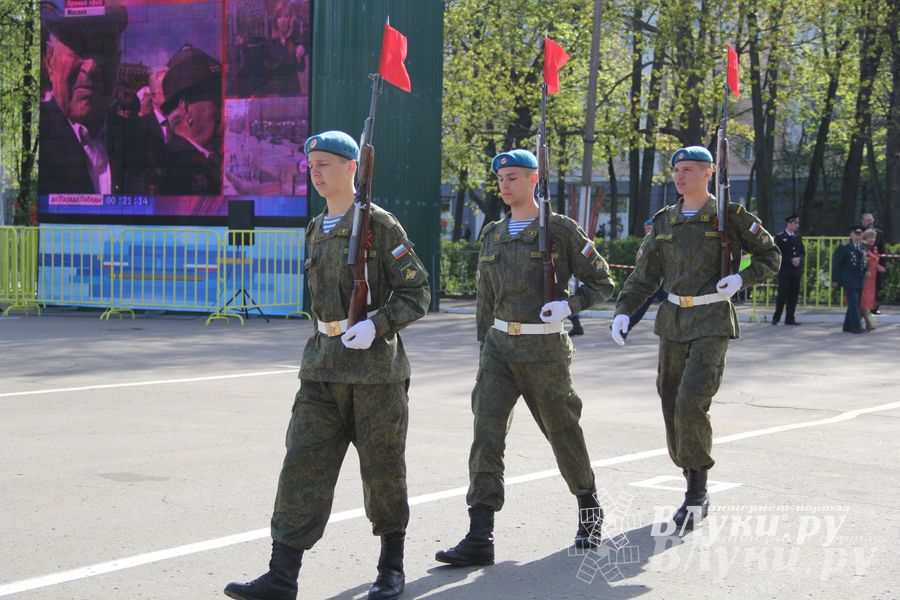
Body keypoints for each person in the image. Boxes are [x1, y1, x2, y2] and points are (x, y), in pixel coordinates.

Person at [224, 131, 430, 600]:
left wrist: (378, 324)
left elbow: (417, 292)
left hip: (375, 374)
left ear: (352, 167)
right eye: (311, 165)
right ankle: (281, 576)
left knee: (383, 471)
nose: (315, 172)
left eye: (325, 164)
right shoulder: (317, 226)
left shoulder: (379, 224)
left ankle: (391, 568)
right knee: (302, 466)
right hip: (320, 367)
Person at [435, 149, 616, 568]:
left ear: (534, 179)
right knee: (486, 435)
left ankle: (589, 508)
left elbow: (603, 282)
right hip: (499, 350)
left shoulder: (559, 229)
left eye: (513, 177)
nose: (505, 184)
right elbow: (485, 298)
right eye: (501, 178)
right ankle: (480, 535)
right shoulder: (493, 233)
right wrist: (484, 346)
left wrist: (570, 305)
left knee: (563, 431)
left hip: (545, 351)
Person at [611, 146, 780, 530]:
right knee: (671, 401)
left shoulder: (730, 216)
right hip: (673, 321)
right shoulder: (665, 221)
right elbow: (645, 275)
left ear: (708, 173)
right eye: (677, 170)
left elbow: (770, 256)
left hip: (712, 319)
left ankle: (697, 491)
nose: (680, 176)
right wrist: (624, 311)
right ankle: (688, 469)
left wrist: (741, 278)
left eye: (688, 170)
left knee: (691, 401)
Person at [38, 3, 156, 195]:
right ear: (49, 59)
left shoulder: (139, 141)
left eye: (105, 51)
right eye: (79, 48)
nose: (92, 66)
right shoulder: (33, 140)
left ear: (117, 62)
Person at [161, 45, 223, 195]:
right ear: (187, 108)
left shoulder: (209, 157)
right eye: (215, 101)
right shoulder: (174, 168)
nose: (221, 110)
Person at [831, 224, 868, 334]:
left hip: (859, 279)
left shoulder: (863, 246)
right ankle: (856, 326)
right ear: (851, 234)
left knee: (855, 303)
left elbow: (865, 261)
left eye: (860, 234)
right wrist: (835, 279)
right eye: (856, 234)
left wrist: (867, 270)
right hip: (848, 278)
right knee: (853, 302)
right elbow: (836, 264)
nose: (858, 237)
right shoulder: (844, 247)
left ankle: (847, 325)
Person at [772, 214, 805, 326]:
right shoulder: (780, 237)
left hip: (796, 271)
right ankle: (776, 317)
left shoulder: (798, 237)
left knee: (793, 296)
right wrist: (790, 260)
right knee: (782, 295)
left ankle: (790, 318)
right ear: (789, 224)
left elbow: (802, 252)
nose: (797, 225)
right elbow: (778, 254)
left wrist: (799, 259)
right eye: (795, 223)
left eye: (797, 223)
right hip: (785, 271)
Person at [860, 213, 886, 314]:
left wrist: (882, 265)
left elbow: (882, 251)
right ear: (862, 221)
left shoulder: (879, 233)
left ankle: (874, 307)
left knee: (875, 287)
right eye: (867, 220)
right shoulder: (858, 232)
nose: (870, 222)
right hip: (863, 265)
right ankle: (863, 307)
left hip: (875, 266)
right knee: (863, 288)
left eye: (871, 220)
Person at [860, 229, 884, 331]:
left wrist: (878, 266)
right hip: (865, 279)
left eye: (874, 238)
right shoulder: (863, 248)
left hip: (872, 281)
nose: (872, 240)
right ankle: (869, 323)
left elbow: (873, 261)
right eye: (870, 237)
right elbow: (864, 262)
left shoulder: (872, 249)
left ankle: (861, 323)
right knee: (864, 302)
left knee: (868, 302)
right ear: (865, 238)